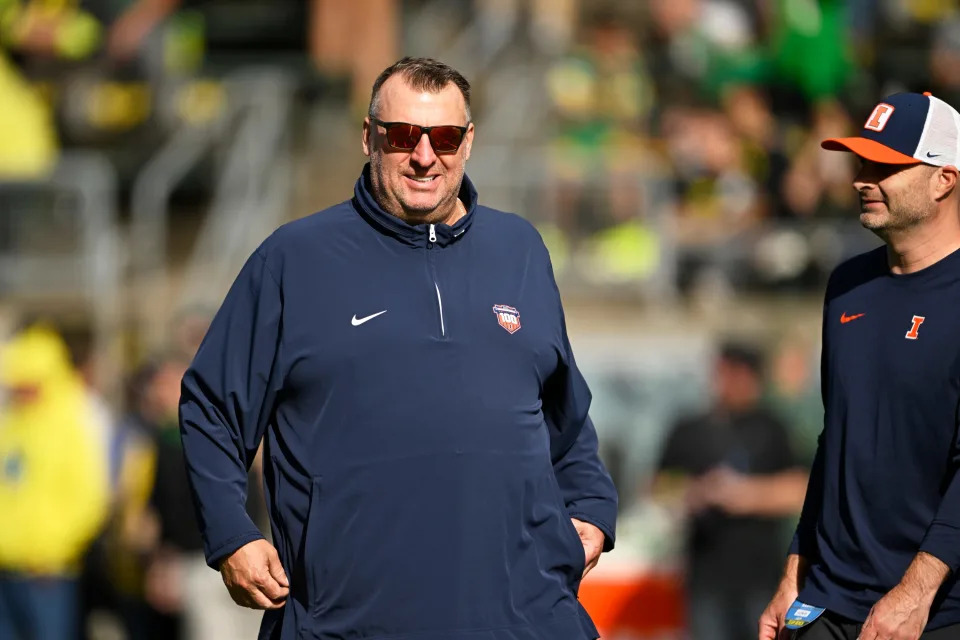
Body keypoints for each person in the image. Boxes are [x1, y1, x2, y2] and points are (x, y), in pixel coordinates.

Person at [179, 57, 618, 640]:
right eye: (404, 135)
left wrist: (591, 506)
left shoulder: (521, 249)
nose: (424, 156)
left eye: (444, 137)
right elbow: (211, 407)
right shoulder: (294, 259)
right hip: (349, 620)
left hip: (529, 617)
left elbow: (565, 412)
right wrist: (231, 536)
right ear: (369, 138)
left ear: (468, 142)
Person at [758, 92, 960, 640]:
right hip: (827, 599)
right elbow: (836, 441)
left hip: (931, 613)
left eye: (885, 167)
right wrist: (795, 571)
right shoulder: (847, 285)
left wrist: (913, 595)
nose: (861, 180)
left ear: (944, 179)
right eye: (862, 163)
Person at [654, 341, 807, 640]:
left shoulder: (773, 428)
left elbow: (799, 489)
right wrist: (698, 491)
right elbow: (658, 487)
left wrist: (747, 495)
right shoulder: (690, 429)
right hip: (706, 577)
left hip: (761, 575)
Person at [0, 324, 110, 639]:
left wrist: (53, 551)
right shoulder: (11, 424)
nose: (21, 392)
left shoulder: (75, 420)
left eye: (28, 384)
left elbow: (91, 498)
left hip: (48, 574)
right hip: (7, 567)